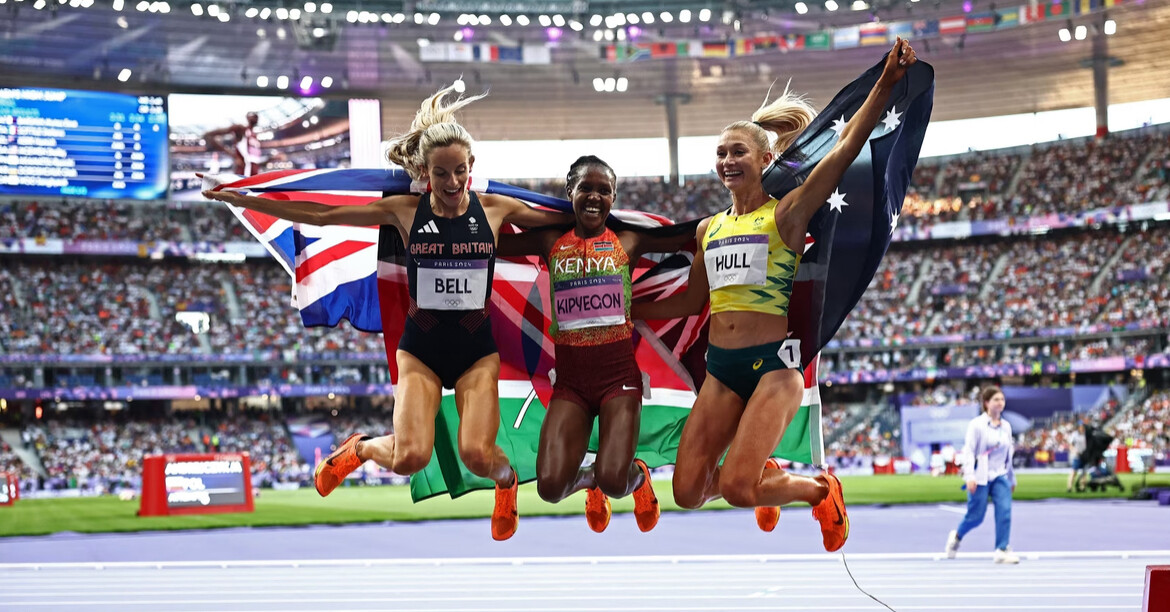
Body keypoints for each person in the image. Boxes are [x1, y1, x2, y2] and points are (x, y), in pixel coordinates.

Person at [203, 83, 570, 541]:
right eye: (441, 173)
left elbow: (568, 221)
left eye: (460, 171)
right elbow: (323, 215)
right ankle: (359, 449)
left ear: (472, 166)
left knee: (478, 456)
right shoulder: (404, 211)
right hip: (421, 351)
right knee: (410, 457)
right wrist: (243, 199)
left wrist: (618, 221)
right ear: (426, 172)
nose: (452, 183)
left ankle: (506, 482)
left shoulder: (495, 209)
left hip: (476, 351)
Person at [632, 38, 919, 552]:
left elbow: (845, 148)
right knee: (687, 492)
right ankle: (764, 473)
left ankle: (819, 489)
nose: (727, 160)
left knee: (738, 490)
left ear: (765, 158)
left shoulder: (787, 213)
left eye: (737, 151)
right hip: (721, 371)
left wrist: (886, 82)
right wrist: (630, 310)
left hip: (773, 369)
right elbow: (690, 302)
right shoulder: (709, 229)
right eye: (720, 153)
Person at [498, 156, 689, 533]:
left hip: (619, 379)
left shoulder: (629, 240)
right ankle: (590, 482)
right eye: (586, 188)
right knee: (551, 487)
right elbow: (488, 244)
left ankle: (637, 477)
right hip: (571, 383)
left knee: (616, 480)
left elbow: (689, 236)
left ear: (614, 197)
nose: (594, 197)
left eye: (604, 190)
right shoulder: (550, 241)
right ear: (570, 191)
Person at [945, 386, 1019, 564]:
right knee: (976, 516)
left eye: (1002, 399)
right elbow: (969, 451)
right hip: (980, 475)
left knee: (1005, 512)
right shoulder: (976, 425)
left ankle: (1002, 549)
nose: (1000, 403)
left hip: (1000, 475)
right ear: (986, 403)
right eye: (996, 399)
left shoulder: (1006, 427)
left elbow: (1008, 455)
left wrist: (1011, 478)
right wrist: (969, 476)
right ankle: (957, 536)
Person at [202, 112, 275, 176]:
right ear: (247, 117)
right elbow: (208, 135)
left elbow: (254, 160)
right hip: (244, 172)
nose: (255, 117)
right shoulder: (241, 129)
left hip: (254, 172)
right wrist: (233, 156)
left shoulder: (254, 135)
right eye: (252, 115)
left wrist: (270, 159)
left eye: (256, 116)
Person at [1067, 422, 1086, 492]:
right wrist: (1074, 450)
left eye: (1083, 427)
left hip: (1084, 456)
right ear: (1078, 427)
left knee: (1084, 473)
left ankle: (1083, 487)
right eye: (1081, 427)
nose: (1082, 428)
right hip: (1077, 456)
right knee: (1074, 472)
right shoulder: (1075, 435)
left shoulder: (1086, 434)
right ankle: (1069, 487)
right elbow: (1071, 445)